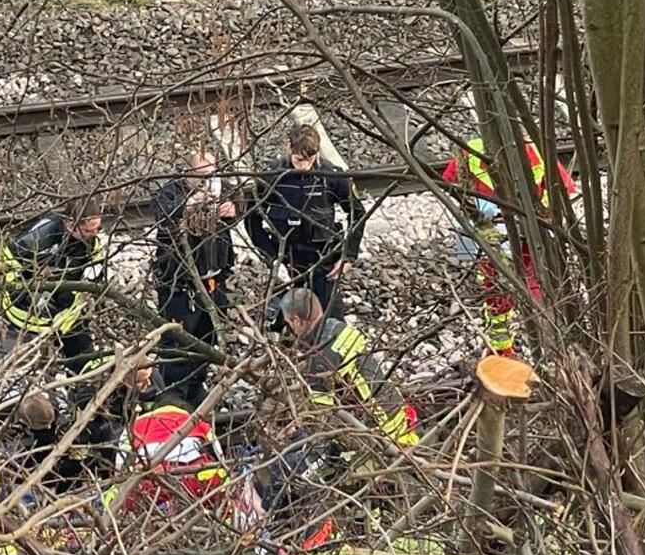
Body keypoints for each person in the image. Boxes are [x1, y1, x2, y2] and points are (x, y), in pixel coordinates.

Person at [441, 135, 577, 356]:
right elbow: (564, 192)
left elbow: (450, 185)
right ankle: (544, 347)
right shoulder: (537, 149)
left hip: (494, 237)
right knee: (533, 287)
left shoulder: (470, 152)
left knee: (498, 290)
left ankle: (507, 349)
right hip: (529, 235)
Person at [245, 124, 367, 327]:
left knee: (332, 321)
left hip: (323, 260)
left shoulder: (332, 176)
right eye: (299, 160)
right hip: (287, 261)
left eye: (309, 160)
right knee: (285, 322)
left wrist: (349, 255)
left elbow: (358, 214)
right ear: (289, 150)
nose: (304, 166)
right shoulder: (272, 177)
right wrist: (271, 257)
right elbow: (251, 218)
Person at [280, 288, 418, 447]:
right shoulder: (337, 327)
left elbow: (321, 420)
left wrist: (294, 429)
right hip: (399, 413)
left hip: (385, 435)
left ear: (296, 321)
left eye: (288, 323)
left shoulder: (319, 360)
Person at [152, 151, 237, 407]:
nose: (206, 182)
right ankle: (174, 393)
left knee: (207, 335)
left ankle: (195, 383)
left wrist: (231, 208)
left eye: (210, 175)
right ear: (186, 174)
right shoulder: (169, 193)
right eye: (200, 177)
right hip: (181, 284)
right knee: (178, 340)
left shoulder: (221, 186)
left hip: (213, 278)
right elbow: (163, 215)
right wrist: (192, 206)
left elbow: (242, 202)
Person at [0, 196, 106, 376]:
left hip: (67, 314)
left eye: (96, 229)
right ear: (70, 223)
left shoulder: (91, 243)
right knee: (21, 368)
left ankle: (84, 386)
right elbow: (9, 262)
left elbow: (94, 270)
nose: (93, 234)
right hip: (27, 315)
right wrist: (31, 285)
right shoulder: (39, 237)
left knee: (86, 360)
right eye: (88, 230)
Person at [27, 353, 159, 494]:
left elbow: (156, 400)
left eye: (148, 378)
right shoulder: (92, 389)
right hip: (92, 425)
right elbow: (83, 420)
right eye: (141, 381)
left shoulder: (150, 374)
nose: (149, 383)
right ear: (123, 378)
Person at [101, 391, 229, 515]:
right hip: (196, 480)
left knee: (113, 497)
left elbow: (120, 470)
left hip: (150, 483)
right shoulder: (199, 422)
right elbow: (220, 459)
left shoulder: (134, 425)